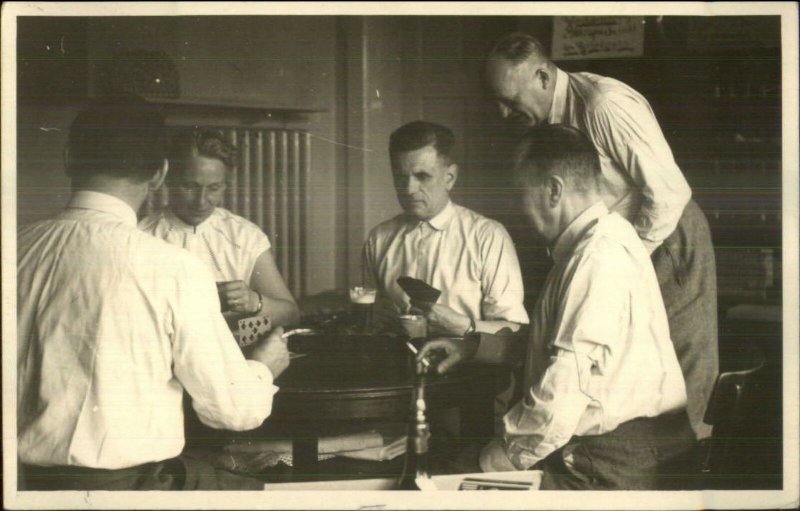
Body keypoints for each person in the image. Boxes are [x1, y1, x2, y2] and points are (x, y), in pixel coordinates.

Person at [16, 96, 290, 491]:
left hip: (22, 485)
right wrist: (265, 365)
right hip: (128, 488)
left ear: (68, 159)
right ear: (161, 174)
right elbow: (234, 410)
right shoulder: (172, 267)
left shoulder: (17, 248)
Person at [420, 125, 695, 490]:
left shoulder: (596, 259)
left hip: (612, 469)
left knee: (441, 480)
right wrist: (472, 347)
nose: (518, 208)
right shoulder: (603, 239)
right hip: (618, 454)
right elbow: (553, 347)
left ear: (553, 189)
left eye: (520, 193)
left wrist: (485, 462)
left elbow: (558, 401)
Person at [484, 33, 718, 439]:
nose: (504, 114)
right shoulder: (548, 118)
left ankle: (681, 476)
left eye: (511, 100)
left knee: (672, 375)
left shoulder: (602, 105)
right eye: (498, 102)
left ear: (542, 76)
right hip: (617, 243)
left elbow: (670, 195)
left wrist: (622, 265)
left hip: (667, 234)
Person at [362, 120, 528, 337]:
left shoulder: (488, 237)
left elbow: (515, 331)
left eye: (422, 176)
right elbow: (370, 320)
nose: (409, 189)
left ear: (449, 178)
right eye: (400, 177)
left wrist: (462, 325)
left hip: (468, 368)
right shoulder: (379, 239)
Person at [139, 129, 299, 328]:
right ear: (168, 179)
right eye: (190, 186)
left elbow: (290, 312)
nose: (201, 200)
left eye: (214, 188)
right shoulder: (140, 235)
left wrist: (253, 301)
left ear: (226, 186)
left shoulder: (245, 236)